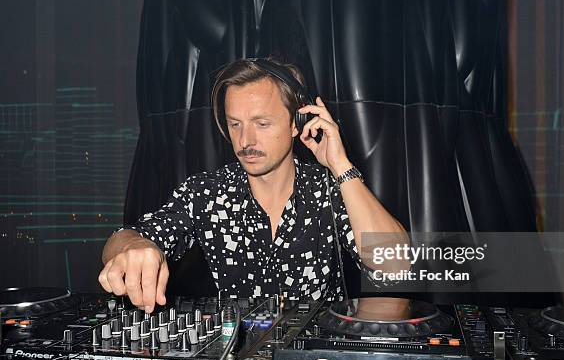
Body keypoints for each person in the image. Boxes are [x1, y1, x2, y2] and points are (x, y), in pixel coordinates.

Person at [98, 58, 408, 313]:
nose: (245, 141)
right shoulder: (207, 193)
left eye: (262, 124)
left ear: (295, 123)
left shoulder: (328, 189)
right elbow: (122, 239)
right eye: (235, 124)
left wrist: (341, 166)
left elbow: (397, 267)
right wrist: (131, 247)